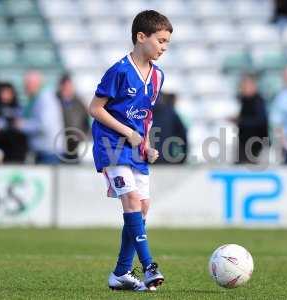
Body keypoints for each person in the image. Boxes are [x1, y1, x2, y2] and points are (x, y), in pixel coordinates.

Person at [88, 10, 172, 291]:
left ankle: (121, 273)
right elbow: (95, 108)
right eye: (160, 40)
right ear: (141, 37)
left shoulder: (158, 76)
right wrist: (128, 134)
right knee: (133, 201)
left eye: (166, 43)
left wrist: (146, 144)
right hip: (111, 145)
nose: (163, 47)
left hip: (135, 147)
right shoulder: (119, 71)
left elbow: (145, 116)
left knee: (142, 208)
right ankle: (149, 266)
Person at [17, 71, 65, 164]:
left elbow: (44, 126)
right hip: (44, 150)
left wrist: (23, 125)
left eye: (27, 84)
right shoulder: (38, 98)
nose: (25, 87)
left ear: (35, 84)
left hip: (48, 152)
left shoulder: (45, 99)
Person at [235, 74, 269, 164]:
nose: (244, 89)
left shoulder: (258, 101)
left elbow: (261, 121)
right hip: (244, 142)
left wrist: (241, 121)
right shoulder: (243, 100)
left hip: (256, 143)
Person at [57, 73, 90, 163]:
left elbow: (86, 121)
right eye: (65, 87)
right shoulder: (56, 101)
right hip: (61, 142)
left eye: (69, 86)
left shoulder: (79, 102)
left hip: (76, 143)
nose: (68, 89)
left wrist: (83, 136)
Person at [151, 92, 187, 164]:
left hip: (146, 159)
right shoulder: (171, 113)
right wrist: (182, 158)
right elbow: (183, 136)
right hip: (167, 159)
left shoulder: (141, 113)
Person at [0, 82, 28, 162]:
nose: (5, 96)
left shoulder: (19, 108)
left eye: (8, 93)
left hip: (15, 146)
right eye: (3, 93)